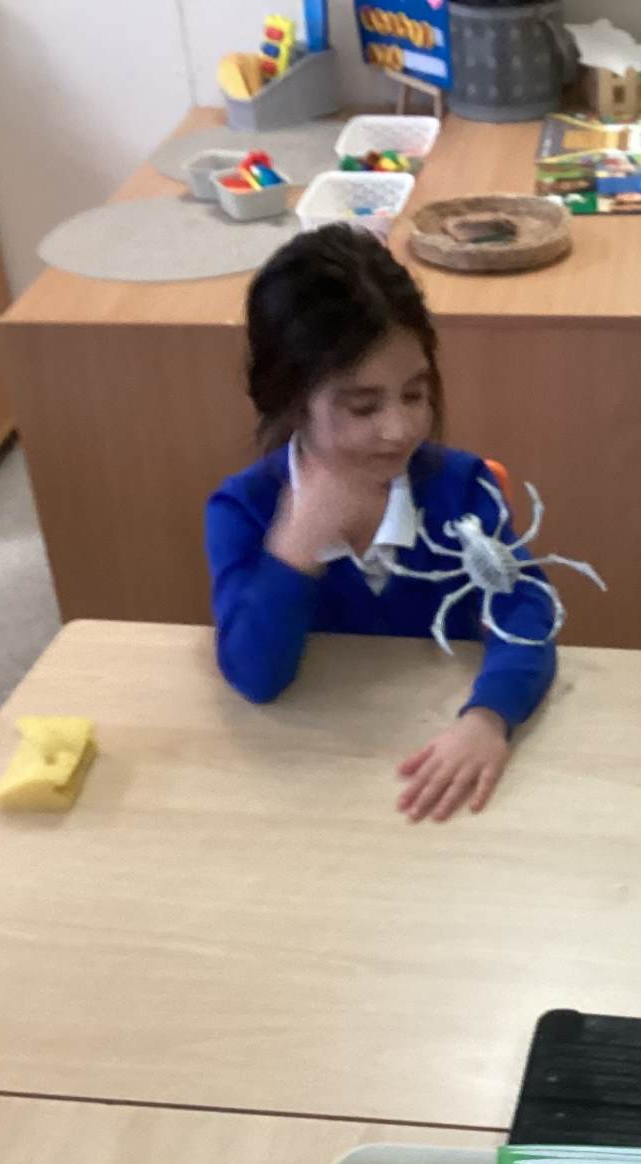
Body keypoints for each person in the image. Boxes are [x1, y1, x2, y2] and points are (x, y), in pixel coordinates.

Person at [206, 225, 557, 822]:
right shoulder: (243, 510)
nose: (398, 429)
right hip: (313, 784)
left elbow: (525, 611)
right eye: (363, 406)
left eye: (415, 395)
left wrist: (489, 715)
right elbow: (254, 678)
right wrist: (293, 551)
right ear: (291, 403)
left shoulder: (460, 488)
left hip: (441, 761)